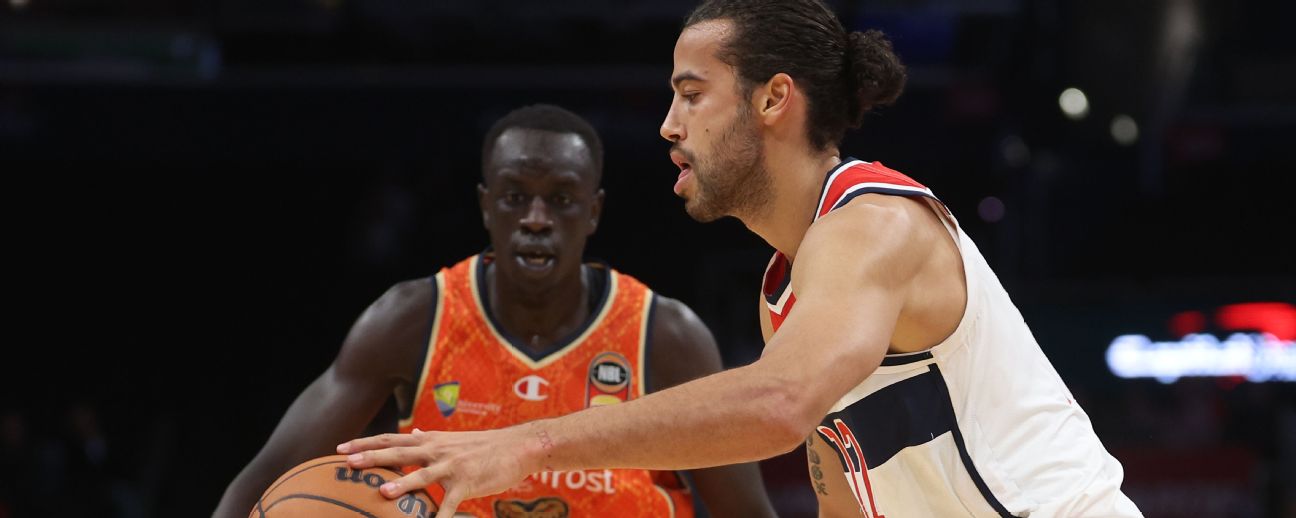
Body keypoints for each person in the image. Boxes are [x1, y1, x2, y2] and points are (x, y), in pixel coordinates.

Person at [338, 2, 1145, 517]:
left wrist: (526, 444)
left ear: (772, 99)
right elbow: (847, 502)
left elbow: (777, 403)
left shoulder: (875, 224)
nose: (667, 124)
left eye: (691, 93)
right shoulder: (787, 290)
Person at [213, 104, 777, 518]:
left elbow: (746, 512)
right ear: (487, 207)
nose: (536, 218)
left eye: (560, 199)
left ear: (593, 211)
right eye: (514, 197)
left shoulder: (664, 335)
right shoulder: (412, 318)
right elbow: (262, 482)